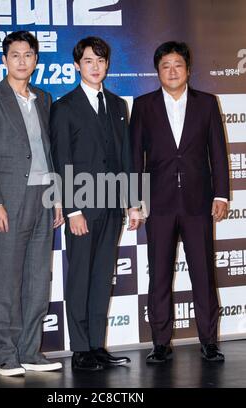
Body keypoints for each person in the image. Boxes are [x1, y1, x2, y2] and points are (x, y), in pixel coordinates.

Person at [130, 41, 229, 363]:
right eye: (165, 66)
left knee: (203, 272)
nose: (171, 71)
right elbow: (134, 159)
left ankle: (209, 341)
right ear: (157, 71)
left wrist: (221, 194)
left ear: (188, 69)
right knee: (158, 274)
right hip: (157, 204)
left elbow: (218, 152)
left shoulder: (207, 104)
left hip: (198, 202)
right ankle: (160, 342)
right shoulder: (143, 105)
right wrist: (134, 200)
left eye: (177, 65)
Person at [0, 31, 64, 377]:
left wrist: (56, 198)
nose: (22, 61)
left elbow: (50, 152)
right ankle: (5, 355)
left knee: (38, 281)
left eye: (28, 55)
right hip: (9, 202)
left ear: (36, 60)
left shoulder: (44, 97)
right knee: (8, 282)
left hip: (43, 197)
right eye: (15, 55)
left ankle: (30, 351)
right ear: (4, 60)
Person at [50, 36, 140, 371]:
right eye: (89, 61)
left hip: (113, 206)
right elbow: (60, 160)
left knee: (102, 277)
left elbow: (126, 156)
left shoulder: (118, 105)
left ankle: (96, 346)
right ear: (77, 65)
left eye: (101, 61)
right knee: (80, 278)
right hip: (82, 209)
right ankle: (79, 349)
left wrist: (132, 203)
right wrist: (72, 209)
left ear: (107, 64)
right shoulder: (64, 106)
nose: (95, 67)